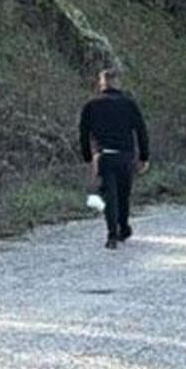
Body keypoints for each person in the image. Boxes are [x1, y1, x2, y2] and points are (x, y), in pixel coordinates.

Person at [79, 68, 150, 249]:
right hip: (125, 156)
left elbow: (83, 133)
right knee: (123, 195)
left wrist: (88, 157)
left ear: (101, 83)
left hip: (104, 156)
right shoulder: (129, 104)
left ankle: (111, 234)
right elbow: (141, 131)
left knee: (109, 196)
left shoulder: (91, 105)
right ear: (117, 83)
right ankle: (123, 228)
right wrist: (144, 157)